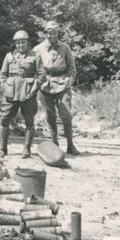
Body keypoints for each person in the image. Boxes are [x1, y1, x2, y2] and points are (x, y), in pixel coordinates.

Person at [33, 21, 80, 155]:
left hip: (62, 84)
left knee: (66, 114)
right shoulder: (38, 49)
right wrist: (37, 82)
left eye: (54, 32)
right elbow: (33, 67)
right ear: (45, 33)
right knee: (50, 115)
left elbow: (72, 67)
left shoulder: (65, 48)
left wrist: (69, 80)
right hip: (45, 85)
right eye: (49, 32)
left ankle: (70, 145)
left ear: (58, 33)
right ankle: (54, 143)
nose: (51, 35)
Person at [0, 30, 45, 157]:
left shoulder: (35, 56)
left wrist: (34, 89)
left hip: (28, 93)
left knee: (29, 121)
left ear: (27, 43)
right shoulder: (9, 56)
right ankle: (3, 148)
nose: (20, 46)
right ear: (15, 44)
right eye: (18, 43)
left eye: (23, 43)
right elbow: (2, 75)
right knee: (4, 119)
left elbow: (41, 76)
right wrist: (5, 86)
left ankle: (27, 149)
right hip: (11, 92)